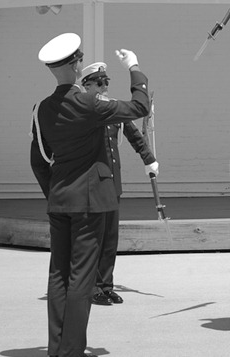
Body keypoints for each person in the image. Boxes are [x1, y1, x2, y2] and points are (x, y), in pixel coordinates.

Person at [30, 33, 150, 357]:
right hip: (88, 203)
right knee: (81, 279)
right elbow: (140, 105)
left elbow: (39, 161)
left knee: (58, 276)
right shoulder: (88, 102)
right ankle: (71, 351)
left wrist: (54, 193)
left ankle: (57, 348)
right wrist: (134, 66)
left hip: (60, 200)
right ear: (76, 63)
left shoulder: (41, 109)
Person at [80, 62, 159, 305]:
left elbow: (133, 134)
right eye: (99, 82)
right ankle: (91, 287)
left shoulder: (112, 108)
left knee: (110, 238)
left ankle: (105, 285)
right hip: (91, 185)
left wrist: (149, 159)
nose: (104, 87)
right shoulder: (82, 110)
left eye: (106, 82)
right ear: (87, 85)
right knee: (94, 238)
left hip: (112, 183)